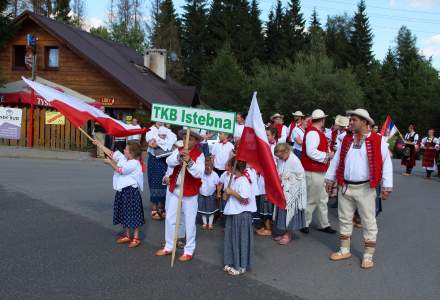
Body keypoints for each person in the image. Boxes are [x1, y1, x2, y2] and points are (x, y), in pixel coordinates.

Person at [325, 109, 393, 269]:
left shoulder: (378, 140)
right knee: (344, 218)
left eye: (354, 120)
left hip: (366, 188)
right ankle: (344, 250)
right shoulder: (346, 138)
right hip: (345, 185)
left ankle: (368, 256)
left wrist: (387, 186)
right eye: (351, 120)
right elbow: (336, 160)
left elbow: (387, 164)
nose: (351, 122)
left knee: (369, 221)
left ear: (365, 122)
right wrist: (330, 178)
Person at [155, 129, 205, 262]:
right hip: (174, 190)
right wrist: (179, 157)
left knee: (189, 222)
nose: (185, 141)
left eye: (189, 139)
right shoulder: (178, 150)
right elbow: (169, 162)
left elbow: (199, 173)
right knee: (170, 219)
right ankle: (169, 246)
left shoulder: (199, 155)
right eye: (184, 138)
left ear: (195, 141)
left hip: (190, 192)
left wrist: (189, 162)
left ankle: (189, 250)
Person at [94, 140, 145, 248]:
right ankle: (127, 235)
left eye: (126, 149)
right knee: (124, 212)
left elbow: (121, 170)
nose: (124, 150)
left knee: (133, 214)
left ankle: (136, 237)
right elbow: (112, 153)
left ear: (131, 153)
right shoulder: (124, 158)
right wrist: (99, 144)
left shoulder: (134, 163)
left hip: (131, 191)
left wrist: (110, 163)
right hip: (122, 190)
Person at [300, 109, 336, 234]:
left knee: (322, 199)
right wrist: (327, 155)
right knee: (312, 199)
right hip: (313, 170)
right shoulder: (313, 133)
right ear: (322, 120)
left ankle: (324, 223)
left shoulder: (315, 132)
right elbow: (311, 152)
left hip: (318, 170)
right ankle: (304, 222)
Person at [223, 159, 257, 276]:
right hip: (234, 212)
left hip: (241, 214)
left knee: (240, 239)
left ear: (234, 167)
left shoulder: (244, 181)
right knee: (232, 238)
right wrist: (226, 193)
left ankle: (240, 266)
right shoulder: (234, 179)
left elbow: (245, 199)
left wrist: (232, 192)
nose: (227, 166)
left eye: (229, 165)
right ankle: (233, 261)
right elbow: (228, 196)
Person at [272, 143, 307, 245]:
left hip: (292, 191)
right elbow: (279, 170)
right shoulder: (282, 159)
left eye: (280, 156)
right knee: (282, 211)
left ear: (286, 152)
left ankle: (288, 234)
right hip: (283, 189)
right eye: (278, 157)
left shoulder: (295, 161)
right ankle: (284, 232)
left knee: (289, 212)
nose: (279, 158)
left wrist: (285, 178)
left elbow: (300, 177)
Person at [145, 123, 171, 220]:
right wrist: (164, 143)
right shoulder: (150, 130)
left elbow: (172, 142)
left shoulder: (167, 130)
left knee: (164, 183)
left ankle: (162, 207)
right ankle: (154, 208)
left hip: (165, 159)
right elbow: (151, 144)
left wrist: (162, 143)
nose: (160, 122)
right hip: (155, 159)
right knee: (154, 183)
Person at [255, 126, 277, 236]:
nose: (266, 137)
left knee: (267, 203)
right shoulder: (266, 146)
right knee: (262, 202)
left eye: (268, 135)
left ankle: (268, 228)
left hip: (269, 179)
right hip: (262, 177)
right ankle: (264, 225)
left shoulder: (275, 148)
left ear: (273, 135)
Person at [198, 156, 220, 230]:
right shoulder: (200, 174)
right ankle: (204, 223)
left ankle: (210, 223)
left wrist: (218, 193)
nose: (207, 168)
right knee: (203, 209)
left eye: (210, 166)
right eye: (206, 166)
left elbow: (218, 185)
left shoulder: (215, 175)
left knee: (211, 210)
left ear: (212, 167)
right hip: (202, 194)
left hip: (211, 195)